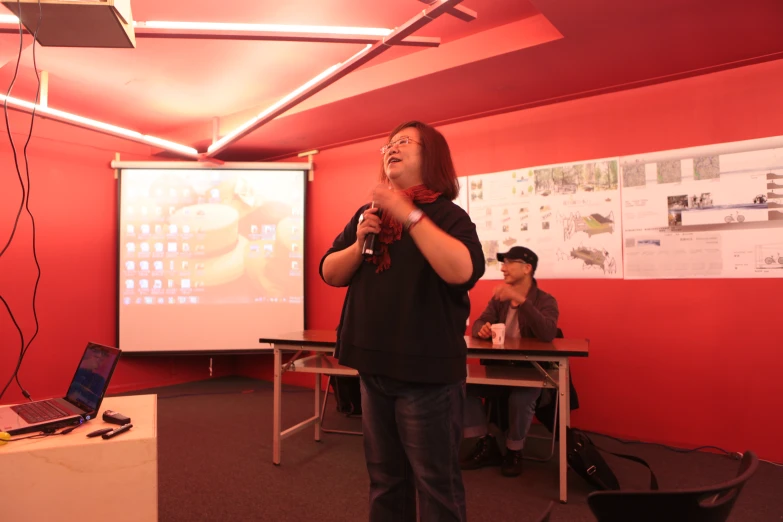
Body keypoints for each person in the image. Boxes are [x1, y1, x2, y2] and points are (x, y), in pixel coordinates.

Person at [319, 121, 485, 522]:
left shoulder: (448, 216)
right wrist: (359, 244)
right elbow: (330, 271)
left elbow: (462, 270)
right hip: (373, 368)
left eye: (404, 142)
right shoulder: (368, 215)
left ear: (432, 156)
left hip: (426, 376)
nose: (392, 148)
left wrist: (408, 213)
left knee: (435, 485)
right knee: (385, 482)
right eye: (389, 144)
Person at [460, 246, 559, 477]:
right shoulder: (499, 300)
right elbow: (478, 323)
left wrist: (521, 300)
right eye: (502, 264)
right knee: (460, 386)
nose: (503, 268)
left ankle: (514, 450)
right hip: (498, 369)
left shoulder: (546, 300)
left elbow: (547, 333)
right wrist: (481, 329)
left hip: (531, 371)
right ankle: (486, 443)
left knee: (522, 396)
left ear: (527, 268)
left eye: (509, 263)